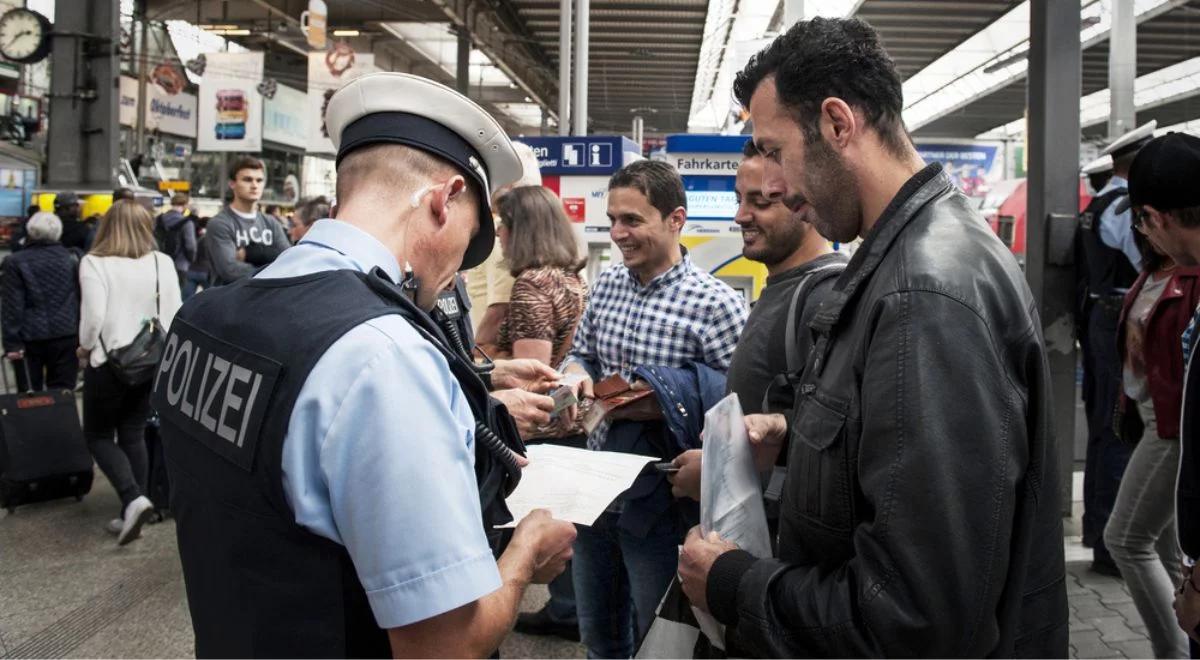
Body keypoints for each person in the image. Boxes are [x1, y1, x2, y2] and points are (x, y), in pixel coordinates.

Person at [674, 18, 1067, 657]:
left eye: (774, 151)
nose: (769, 186)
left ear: (837, 124)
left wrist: (734, 584)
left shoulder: (923, 296)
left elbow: (915, 617)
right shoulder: (905, 258)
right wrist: (797, 438)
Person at [151, 72, 576, 658]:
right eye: (471, 237)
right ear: (444, 199)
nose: (459, 264)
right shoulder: (384, 354)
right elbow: (444, 646)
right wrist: (526, 554)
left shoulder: (203, 315)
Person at [560, 159, 749, 658]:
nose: (618, 233)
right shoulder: (605, 287)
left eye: (633, 220)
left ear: (675, 220)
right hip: (595, 491)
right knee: (598, 631)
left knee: (659, 635)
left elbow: (738, 407)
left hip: (663, 498)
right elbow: (584, 351)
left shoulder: (716, 305)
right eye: (613, 219)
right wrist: (577, 374)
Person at [668, 138, 848, 502]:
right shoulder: (780, 288)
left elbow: (836, 442)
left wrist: (714, 475)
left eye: (761, 202)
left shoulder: (824, 298)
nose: (740, 216)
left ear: (806, 202)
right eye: (740, 200)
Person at [492, 185, 588, 643]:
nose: (499, 237)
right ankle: (569, 607)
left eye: (503, 227)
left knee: (546, 523)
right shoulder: (571, 279)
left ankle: (565, 610)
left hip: (544, 428)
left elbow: (531, 375)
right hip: (574, 424)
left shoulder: (531, 285)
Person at [1115, 132, 1200, 647]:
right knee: (1166, 545)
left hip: (1172, 428)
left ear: (1156, 217)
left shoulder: (1190, 284)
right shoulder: (1168, 273)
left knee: (1125, 538)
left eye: (1142, 222)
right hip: (1163, 421)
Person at [78, 200, 182, 546]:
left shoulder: (94, 262)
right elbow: (173, 312)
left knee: (97, 435)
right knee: (133, 431)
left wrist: (84, 347)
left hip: (108, 363)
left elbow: (93, 318)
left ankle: (132, 497)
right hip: (151, 361)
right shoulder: (160, 262)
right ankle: (134, 506)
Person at [1079, 121, 1156, 575]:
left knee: (1102, 431)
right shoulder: (1126, 207)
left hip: (1099, 317)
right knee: (1118, 431)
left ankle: (1099, 533)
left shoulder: (1099, 202)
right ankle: (1111, 547)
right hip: (1117, 322)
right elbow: (1144, 259)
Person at [466, 142, 542, 344]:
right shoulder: (545, 225)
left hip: (495, 354)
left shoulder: (503, 229)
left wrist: (473, 355)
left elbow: (500, 311)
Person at [1, 212, 81, 392]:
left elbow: (12, 307)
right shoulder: (72, 258)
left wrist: (11, 344)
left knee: (30, 394)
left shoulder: (15, 262)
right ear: (58, 232)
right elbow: (79, 297)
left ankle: (33, 421)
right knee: (63, 392)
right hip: (67, 335)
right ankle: (61, 420)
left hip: (30, 339)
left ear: (30, 231)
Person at [204, 156, 291, 286]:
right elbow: (230, 271)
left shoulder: (271, 223)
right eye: (247, 180)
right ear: (232, 184)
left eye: (259, 180)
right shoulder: (220, 223)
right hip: (230, 301)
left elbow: (288, 261)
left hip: (265, 300)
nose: (254, 185)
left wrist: (251, 254)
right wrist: (273, 265)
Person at [154, 192, 198, 287]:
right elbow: (191, 246)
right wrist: (191, 259)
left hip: (160, 263)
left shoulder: (158, 219)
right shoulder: (187, 223)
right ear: (185, 205)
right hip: (180, 265)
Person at [181, 216, 209, 300]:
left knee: (186, 301)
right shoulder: (213, 237)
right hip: (206, 272)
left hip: (191, 270)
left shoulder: (192, 234)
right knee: (211, 300)